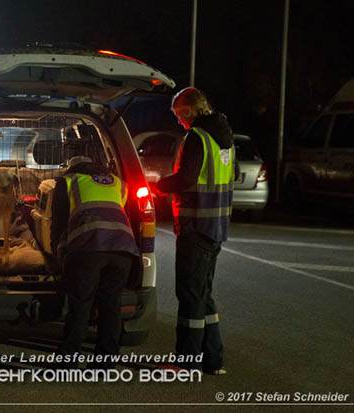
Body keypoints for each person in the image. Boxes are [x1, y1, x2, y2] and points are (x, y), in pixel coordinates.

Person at [155, 87, 235, 375]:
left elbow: (186, 178)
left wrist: (158, 185)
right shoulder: (225, 138)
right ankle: (212, 360)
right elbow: (231, 175)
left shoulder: (197, 137)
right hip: (216, 226)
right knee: (204, 294)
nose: (178, 122)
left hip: (196, 225)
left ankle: (185, 363)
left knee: (189, 294)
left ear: (188, 111)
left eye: (179, 115)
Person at [51, 156, 140, 369]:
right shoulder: (119, 183)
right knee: (111, 305)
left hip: (89, 247)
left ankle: (67, 362)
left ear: (72, 168)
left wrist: (59, 256)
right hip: (123, 250)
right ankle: (106, 363)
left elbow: (59, 223)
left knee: (81, 304)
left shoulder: (69, 182)